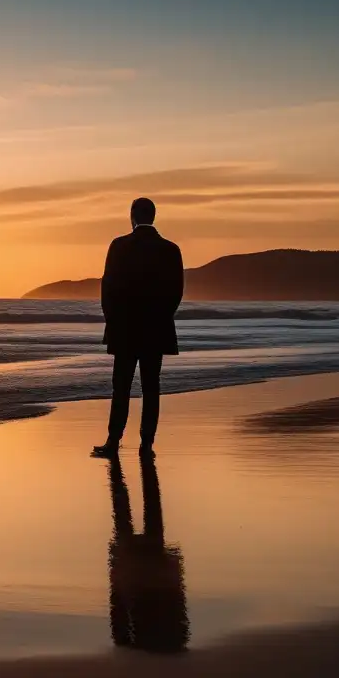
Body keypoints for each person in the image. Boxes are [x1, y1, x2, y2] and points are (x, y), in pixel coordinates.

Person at [93, 197, 183, 457]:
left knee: (120, 387)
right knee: (151, 387)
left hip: (125, 329)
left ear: (132, 216)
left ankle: (113, 441)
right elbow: (176, 291)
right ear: (153, 217)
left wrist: (111, 320)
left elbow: (107, 288)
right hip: (156, 329)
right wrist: (163, 317)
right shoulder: (170, 250)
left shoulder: (119, 246)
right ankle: (147, 444)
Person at [106, 454, 190, 653]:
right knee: (147, 518)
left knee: (133, 524)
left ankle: (129, 445)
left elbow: (119, 605)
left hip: (147, 583)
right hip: (158, 587)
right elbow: (178, 607)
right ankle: (141, 444)